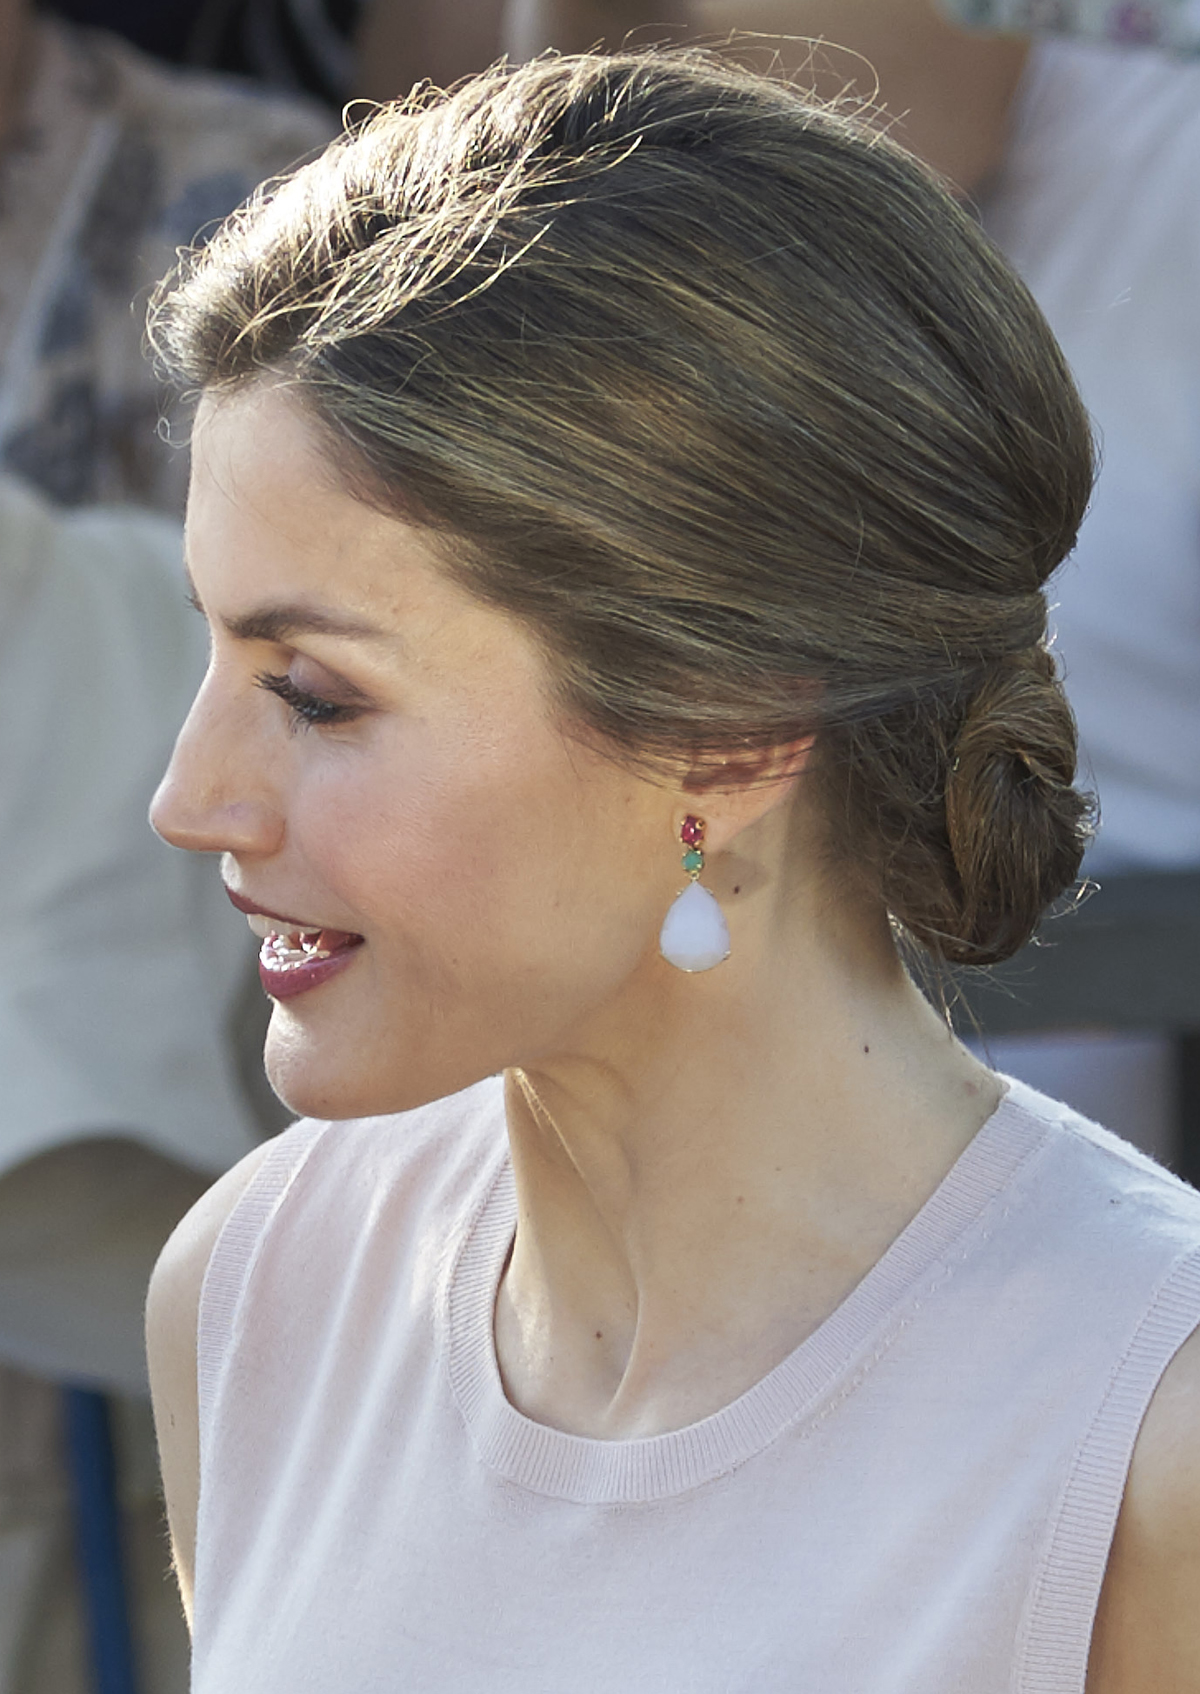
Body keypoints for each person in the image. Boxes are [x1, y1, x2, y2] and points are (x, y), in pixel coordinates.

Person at [145, 52, 1200, 1691]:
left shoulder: (1150, 1434)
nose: (189, 800)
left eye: (314, 696)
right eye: (205, 651)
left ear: (721, 728)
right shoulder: (253, 1297)